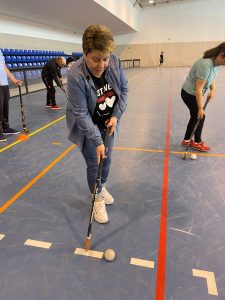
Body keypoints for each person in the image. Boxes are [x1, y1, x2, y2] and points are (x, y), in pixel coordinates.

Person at [66, 24, 128, 224]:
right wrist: (96, 140)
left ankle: (101, 187)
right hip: (87, 128)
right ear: (85, 53)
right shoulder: (76, 75)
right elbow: (81, 113)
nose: (101, 64)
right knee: (95, 164)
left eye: (105, 58)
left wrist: (116, 115)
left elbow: (124, 91)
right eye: (95, 59)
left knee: (107, 161)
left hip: (108, 123)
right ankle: (97, 198)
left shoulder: (115, 62)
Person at [181, 42, 225, 152]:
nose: (224, 65)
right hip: (189, 94)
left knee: (194, 116)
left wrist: (212, 89)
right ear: (221, 55)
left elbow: (212, 78)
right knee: (200, 116)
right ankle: (197, 142)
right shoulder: (205, 65)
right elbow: (199, 90)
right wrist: (201, 109)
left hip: (194, 93)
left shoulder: (215, 65)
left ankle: (186, 140)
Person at [0, 49, 22, 142]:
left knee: (5, 107)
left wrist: (14, 80)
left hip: (4, 84)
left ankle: (5, 127)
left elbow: (4, 67)